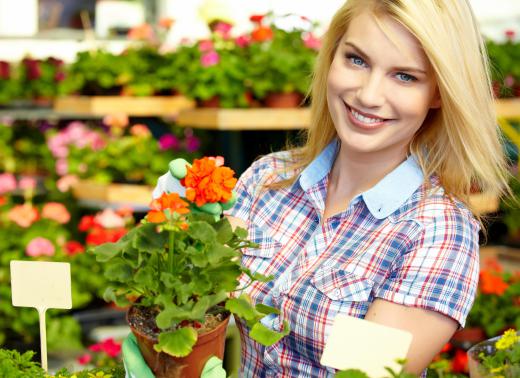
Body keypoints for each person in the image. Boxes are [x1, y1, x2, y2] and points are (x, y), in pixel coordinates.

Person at [148, 0, 509, 376]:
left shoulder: (435, 231)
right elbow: (196, 299)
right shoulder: (269, 179)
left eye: (405, 76)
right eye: (357, 60)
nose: (368, 95)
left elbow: (365, 373)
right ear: (331, 57)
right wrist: (182, 237)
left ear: (438, 92)